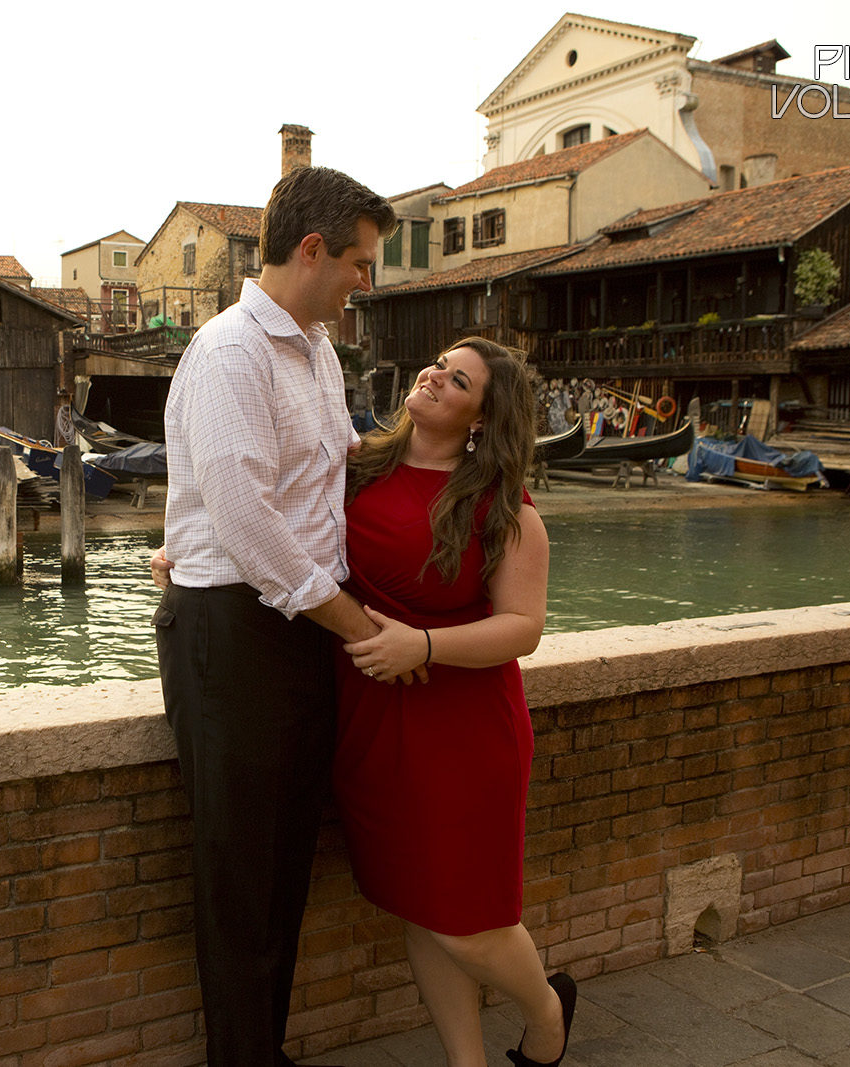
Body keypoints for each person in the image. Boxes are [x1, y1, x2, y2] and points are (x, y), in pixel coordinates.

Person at [153, 164, 397, 1066]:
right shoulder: (230, 353)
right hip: (235, 632)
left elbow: (330, 474)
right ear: (311, 250)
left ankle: (264, 1051)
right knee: (240, 870)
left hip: (292, 627)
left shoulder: (316, 349)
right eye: (360, 263)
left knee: (287, 856)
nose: (365, 282)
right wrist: (360, 628)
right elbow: (248, 521)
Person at [336, 336, 574, 1067]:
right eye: (437, 362)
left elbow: (523, 627)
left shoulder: (502, 508)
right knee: (420, 905)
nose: (435, 375)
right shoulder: (355, 465)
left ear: (481, 417)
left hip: (465, 730)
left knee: (466, 921)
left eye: (458, 378)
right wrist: (184, 550)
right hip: (373, 719)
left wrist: (427, 646)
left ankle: (547, 1015)